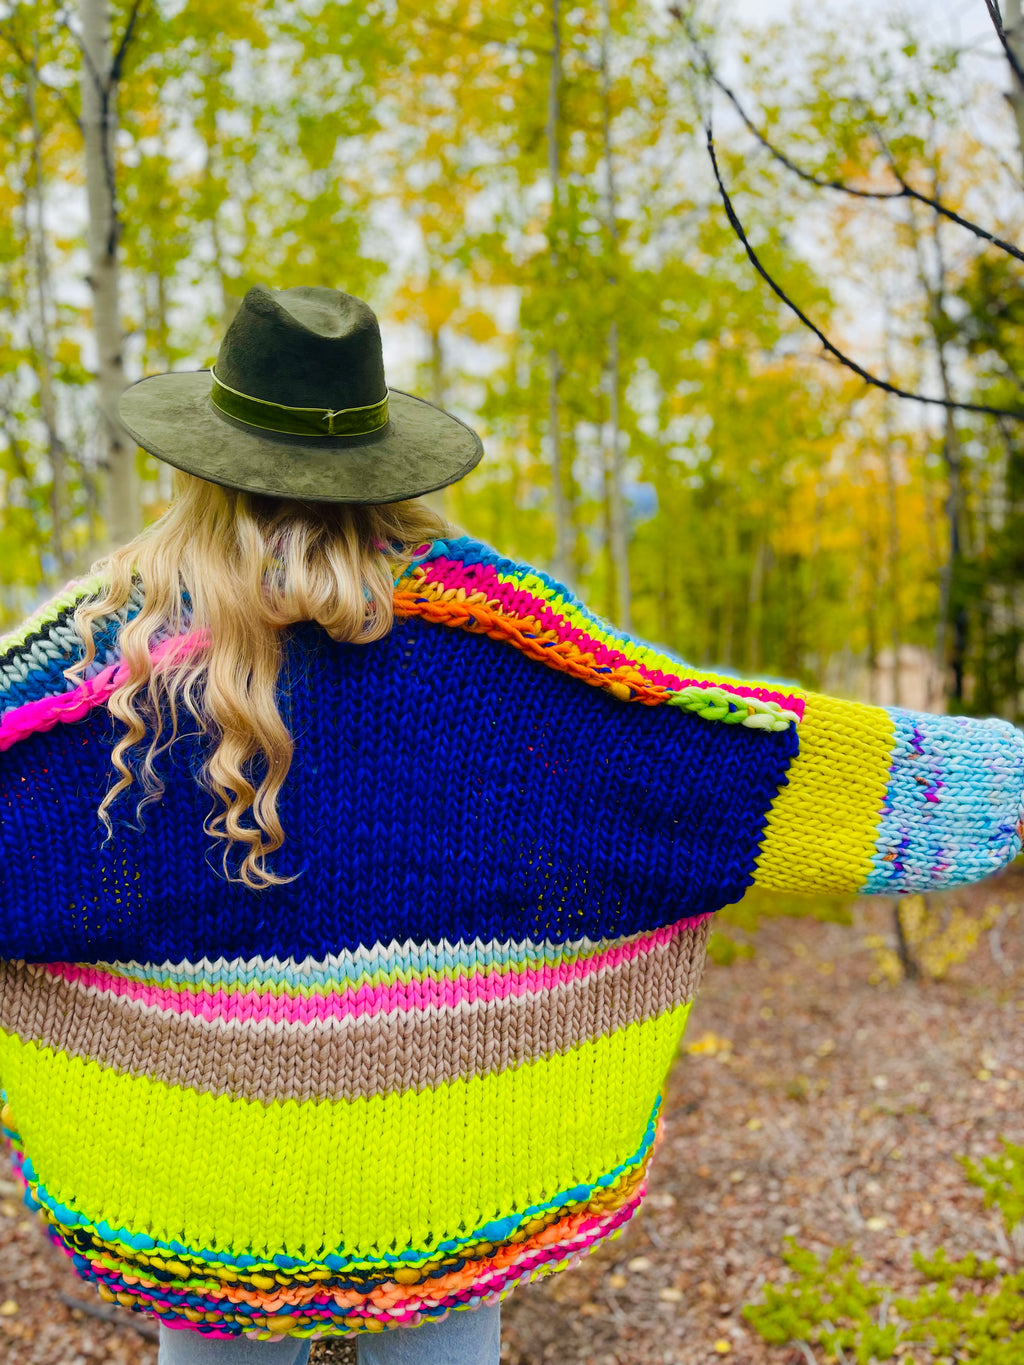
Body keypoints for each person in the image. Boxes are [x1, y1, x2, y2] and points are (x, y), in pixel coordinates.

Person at [0, 284, 1021, 1365]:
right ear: (385, 466)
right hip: (451, 1168)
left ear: (198, 465)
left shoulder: (92, 666)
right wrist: (1000, 783)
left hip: (193, 1182)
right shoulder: (516, 650)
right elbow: (713, 764)